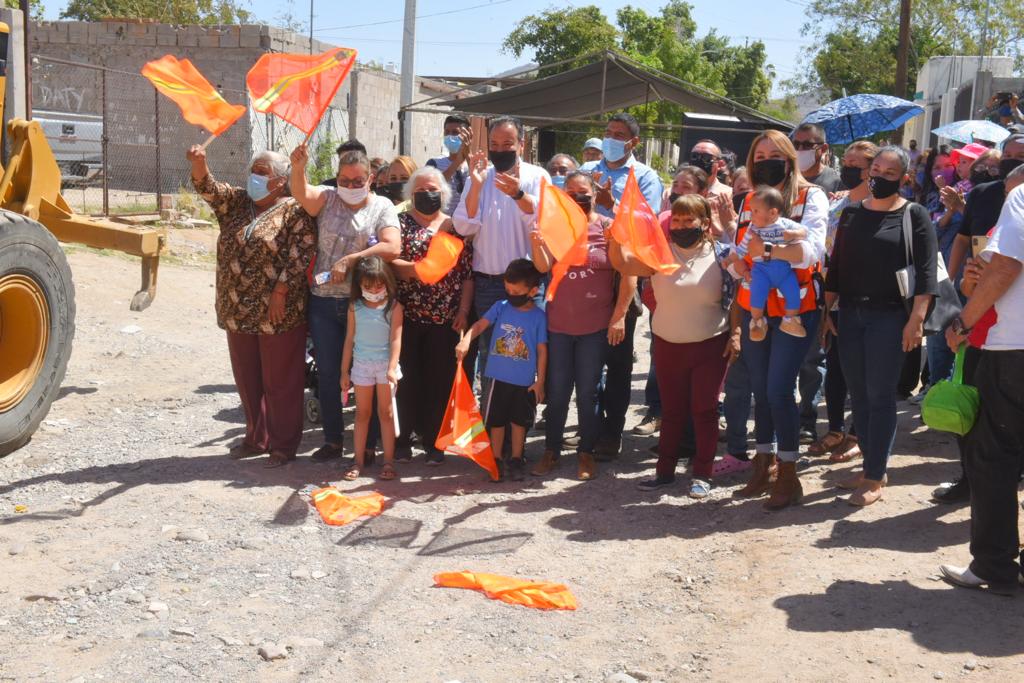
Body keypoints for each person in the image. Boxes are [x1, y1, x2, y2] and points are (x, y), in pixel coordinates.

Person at [188, 145, 316, 468]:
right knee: (248, 378)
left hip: (278, 311)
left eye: (262, 172)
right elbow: (208, 188)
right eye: (253, 171)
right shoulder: (237, 203)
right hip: (237, 309)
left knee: (280, 381)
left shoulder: (295, 211)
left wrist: (281, 291)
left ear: (280, 181)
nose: (254, 177)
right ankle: (256, 437)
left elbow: (301, 253)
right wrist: (200, 163)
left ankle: (283, 445)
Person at [823, 146, 938, 506]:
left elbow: (927, 273)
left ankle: (875, 475)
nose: (880, 177)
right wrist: (827, 310)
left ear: (904, 178)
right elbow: (837, 265)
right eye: (876, 170)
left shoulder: (914, 214)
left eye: (890, 173)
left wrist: (916, 320)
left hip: (890, 317)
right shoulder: (852, 212)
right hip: (849, 314)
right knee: (858, 394)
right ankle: (870, 466)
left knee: (880, 395)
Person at [725, 129, 828, 510]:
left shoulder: (811, 196)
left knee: (779, 389)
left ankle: (788, 472)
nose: (767, 162)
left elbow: (811, 251)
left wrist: (766, 250)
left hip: (794, 307)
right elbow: (739, 251)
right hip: (755, 307)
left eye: (775, 155)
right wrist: (735, 264)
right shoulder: (747, 201)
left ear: (789, 159)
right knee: (760, 388)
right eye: (760, 156)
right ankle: (763, 462)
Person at [612, 194, 737, 498]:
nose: (680, 225)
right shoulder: (658, 254)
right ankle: (664, 472)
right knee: (672, 411)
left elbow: (737, 298)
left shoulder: (723, 255)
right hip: (667, 345)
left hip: (710, 346)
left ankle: (703, 474)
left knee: (704, 410)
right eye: (676, 219)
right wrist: (615, 236)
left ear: (704, 223)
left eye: (688, 219)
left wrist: (736, 333)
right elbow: (622, 263)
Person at [289, 145, 401, 462]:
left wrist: (354, 259)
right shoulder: (327, 199)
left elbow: (392, 247)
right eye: (344, 180)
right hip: (324, 303)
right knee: (328, 372)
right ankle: (333, 440)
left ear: (370, 179)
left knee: (371, 372)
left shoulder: (382, 207)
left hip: (365, 304)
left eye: (357, 181)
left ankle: (369, 444)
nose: (350, 186)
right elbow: (302, 194)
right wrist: (298, 168)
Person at [939, 179, 1024, 596]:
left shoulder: (1021, 197)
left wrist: (962, 323)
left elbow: (1006, 268)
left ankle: (994, 564)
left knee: (993, 459)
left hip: (1014, 350)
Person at [529, 171, 632, 481]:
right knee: (558, 391)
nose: (577, 197)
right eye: (570, 192)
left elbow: (629, 274)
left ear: (594, 193)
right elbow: (542, 266)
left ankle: (586, 452)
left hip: (595, 328)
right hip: (559, 326)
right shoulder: (555, 226)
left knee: (588, 392)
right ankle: (551, 450)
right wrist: (536, 242)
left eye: (583, 191)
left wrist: (619, 316)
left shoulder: (609, 227)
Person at [580, 112, 662, 456]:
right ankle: (588, 428)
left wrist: (610, 206)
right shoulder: (587, 171)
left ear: (633, 142)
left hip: (622, 277)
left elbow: (646, 227)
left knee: (616, 359)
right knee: (586, 357)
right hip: (585, 274)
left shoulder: (645, 177)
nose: (611, 138)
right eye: (608, 132)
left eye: (619, 134)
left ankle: (611, 433)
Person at [452, 116, 550, 392]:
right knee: (490, 358)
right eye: (494, 144)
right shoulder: (479, 176)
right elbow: (464, 226)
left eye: (507, 144)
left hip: (528, 285)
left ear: (521, 144)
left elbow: (545, 218)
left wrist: (519, 194)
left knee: (526, 356)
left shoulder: (538, 176)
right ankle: (491, 414)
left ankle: (521, 415)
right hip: (488, 284)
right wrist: (476, 185)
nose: (500, 150)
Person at [390, 166, 474, 466]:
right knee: (406, 380)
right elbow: (389, 262)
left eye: (433, 190)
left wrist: (463, 310)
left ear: (444, 193)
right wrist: (418, 270)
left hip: (446, 318)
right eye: (421, 190)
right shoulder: (399, 223)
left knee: (439, 382)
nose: (427, 194)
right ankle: (402, 440)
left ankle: (435, 443)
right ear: (410, 194)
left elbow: (467, 274)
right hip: (407, 316)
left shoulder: (454, 226)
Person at [810, 140, 878, 463]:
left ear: (871, 170)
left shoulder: (879, 206)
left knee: (860, 370)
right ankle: (835, 428)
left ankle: (858, 433)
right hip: (830, 293)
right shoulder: (834, 201)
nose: (848, 169)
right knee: (835, 365)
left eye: (856, 164)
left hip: (863, 297)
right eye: (846, 162)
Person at [455, 259, 547, 482]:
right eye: (508, 290)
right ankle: (495, 459)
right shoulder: (501, 306)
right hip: (497, 378)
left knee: (519, 422)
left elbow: (542, 350)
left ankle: (516, 459)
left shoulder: (539, 317)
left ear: (533, 291)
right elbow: (481, 324)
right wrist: (466, 340)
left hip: (524, 381)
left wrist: (540, 381)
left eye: (516, 291)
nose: (510, 295)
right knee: (495, 421)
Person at [340, 256, 403, 481]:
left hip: (385, 367)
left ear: (387, 282)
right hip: (361, 366)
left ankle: (388, 461)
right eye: (368, 286)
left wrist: (392, 368)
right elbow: (349, 339)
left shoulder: (394, 307)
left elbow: (396, 339)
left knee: (386, 414)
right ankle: (357, 461)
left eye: (378, 285)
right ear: (359, 285)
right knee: (362, 414)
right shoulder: (354, 307)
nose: (374, 290)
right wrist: (344, 371)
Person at [728, 186, 809, 341]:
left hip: (784, 270)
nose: (751, 215)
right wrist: (730, 259)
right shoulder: (752, 229)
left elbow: (805, 232)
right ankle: (758, 323)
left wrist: (793, 234)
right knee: (757, 296)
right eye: (751, 211)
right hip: (761, 270)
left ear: (772, 213)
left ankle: (790, 320)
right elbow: (742, 248)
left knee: (793, 294)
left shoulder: (785, 224)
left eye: (755, 211)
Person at [427, 114, 472, 214]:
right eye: (447, 132)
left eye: (455, 132)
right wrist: (456, 162)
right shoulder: (434, 164)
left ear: (467, 135)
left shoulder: (477, 164)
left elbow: (481, 186)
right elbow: (432, 187)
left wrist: (468, 156)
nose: (450, 136)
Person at [792, 123, 842, 194]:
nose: (800, 149)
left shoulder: (836, 181)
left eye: (807, 145)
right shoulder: (785, 175)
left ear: (823, 148)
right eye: (796, 144)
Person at [688, 139, 733, 204]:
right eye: (694, 156)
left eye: (706, 158)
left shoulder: (729, 195)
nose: (699, 160)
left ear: (720, 164)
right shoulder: (677, 190)